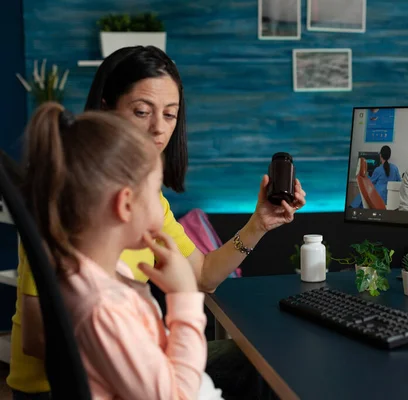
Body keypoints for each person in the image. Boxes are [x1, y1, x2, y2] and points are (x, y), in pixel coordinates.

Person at [7, 46, 306, 399]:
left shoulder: (148, 205)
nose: (158, 129)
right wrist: (147, 345)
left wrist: (259, 223)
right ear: (106, 109)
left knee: (261, 362)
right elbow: (39, 338)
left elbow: (204, 274)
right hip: (66, 387)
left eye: (170, 115)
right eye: (141, 112)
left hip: (132, 363)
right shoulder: (68, 203)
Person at [20, 102, 222, 399]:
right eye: (155, 191)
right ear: (125, 204)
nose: (161, 205)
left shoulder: (100, 275)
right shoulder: (103, 309)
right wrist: (184, 296)